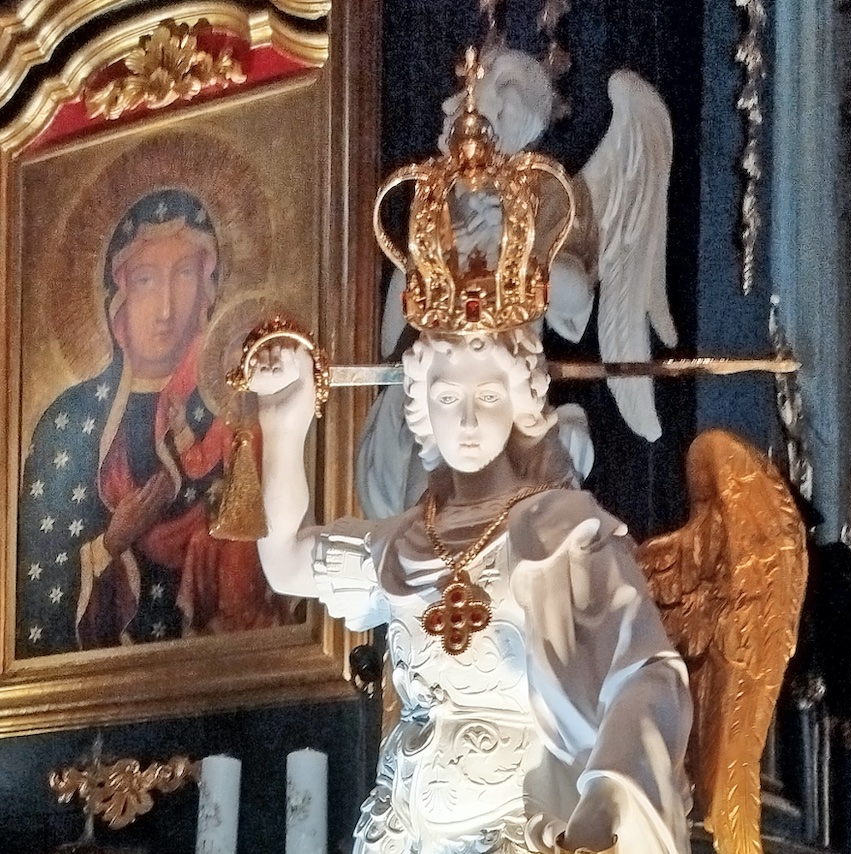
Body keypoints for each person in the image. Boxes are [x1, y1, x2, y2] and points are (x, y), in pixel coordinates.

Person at [251, 326, 693, 854]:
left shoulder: (561, 533)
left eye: (487, 397)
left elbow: (646, 674)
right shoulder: (402, 544)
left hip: (518, 833)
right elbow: (286, 563)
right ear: (422, 405)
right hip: (401, 835)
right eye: (447, 398)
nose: (466, 421)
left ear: (518, 400)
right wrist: (282, 423)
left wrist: (608, 793)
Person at [16, 189, 289, 657]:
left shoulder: (240, 408)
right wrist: (111, 541)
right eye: (145, 280)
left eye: (184, 275)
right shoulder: (68, 422)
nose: (165, 308)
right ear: (117, 297)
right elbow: (35, 591)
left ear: (208, 289)